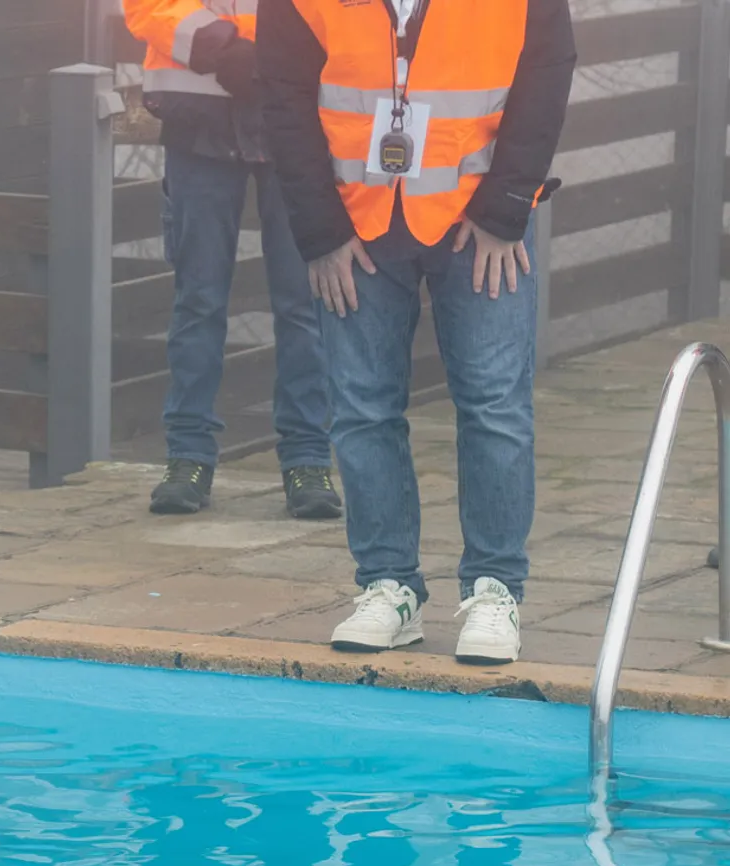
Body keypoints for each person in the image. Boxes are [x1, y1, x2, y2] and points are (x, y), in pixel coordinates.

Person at [260, 0, 575, 662]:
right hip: (355, 223)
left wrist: (506, 208)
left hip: (481, 224)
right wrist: (319, 231)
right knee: (361, 409)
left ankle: (495, 590)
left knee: (495, 405)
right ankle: (387, 584)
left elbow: (546, 73)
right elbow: (282, 96)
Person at [125, 0, 343, 521]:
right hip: (200, 114)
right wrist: (221, 46)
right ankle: (188, 456)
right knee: (200, 299)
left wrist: (266, 51)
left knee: (305, 300)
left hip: (295, 113)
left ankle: (308, 458)